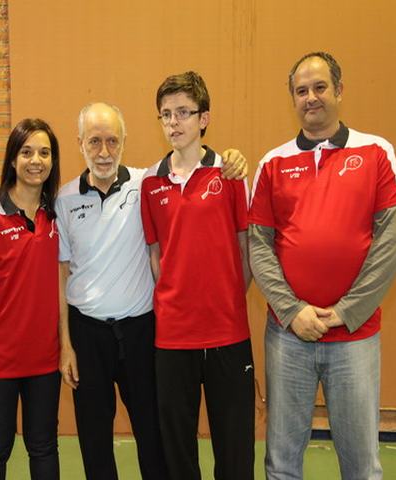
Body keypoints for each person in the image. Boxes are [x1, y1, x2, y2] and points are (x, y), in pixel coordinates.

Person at [56, 101, 248, 480]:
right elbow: (61, 272)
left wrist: (233, 158)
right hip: (87, 333)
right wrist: (66, 344)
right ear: (79, 143)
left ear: (125, 141)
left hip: (142, 330)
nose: (104, 152)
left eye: (113, 141)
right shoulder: (64, 199)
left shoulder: (148, 183)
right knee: (94, 441)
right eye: (94, 142)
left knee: (154, 439)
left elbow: (188, 168)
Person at [248, 52, 396, 480]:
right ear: (293, 100)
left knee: (361, 465)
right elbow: (260, 248)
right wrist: (292, 310)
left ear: (339, 90)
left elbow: (392, 242)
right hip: (287, 337)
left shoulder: (376, 152)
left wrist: (345, 312)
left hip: (355, 336)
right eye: (301, 91)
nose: (311, 98)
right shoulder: (272, 163)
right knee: (281, 464)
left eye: (320, 87)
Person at [140, 72, 255, 480]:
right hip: (173, 338)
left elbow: (246, 252)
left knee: (235, 452)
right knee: (178, 454)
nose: (174, 123)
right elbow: (156, 256)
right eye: (166, 115)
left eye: (183, 113)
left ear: (204, 118)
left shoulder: (230, 174)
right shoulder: (151, 183)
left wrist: (222, 300)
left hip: (227, 334)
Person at [0, 118, 62, 480]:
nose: (36, 160)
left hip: (45, 360)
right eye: (27, 152)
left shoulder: (58, 213)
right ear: (13, 159)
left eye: (45, 153)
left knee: (44, 447)